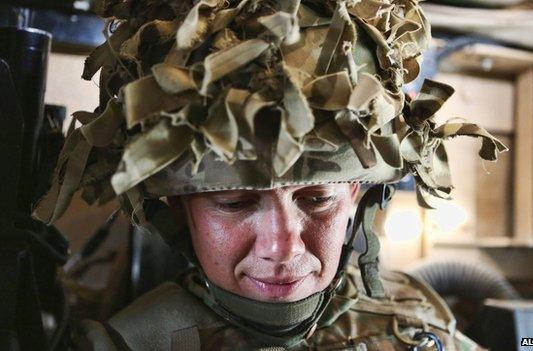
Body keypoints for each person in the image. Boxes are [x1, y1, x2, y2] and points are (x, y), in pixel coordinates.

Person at [34, 0, 507, 349]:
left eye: (317, 198)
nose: (283, 247)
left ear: (357, 196)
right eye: (235, 203)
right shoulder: (123, 343)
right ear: (179, 209)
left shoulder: (414, 317)